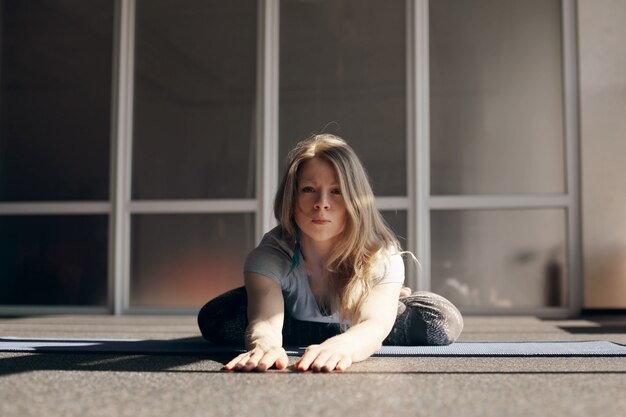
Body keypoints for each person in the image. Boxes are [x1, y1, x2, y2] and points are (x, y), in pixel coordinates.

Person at [198, 134, 463, 372]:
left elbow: (373, 324)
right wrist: (264, 345)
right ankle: (340, 320)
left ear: (355, 200)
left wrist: (344, 346)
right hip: (285, 313)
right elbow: (265, 322)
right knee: (215, 317)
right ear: (291, 198)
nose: (321, 203)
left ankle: (385, 304)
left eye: (336, 192)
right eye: (309, 190)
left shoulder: (382, 255)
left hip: (361, 320)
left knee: (440, 321)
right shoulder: (270, 255)